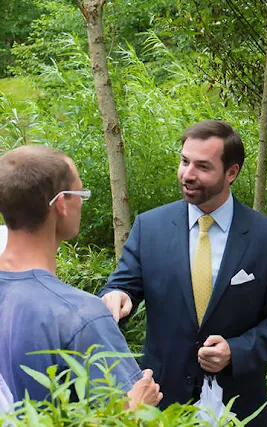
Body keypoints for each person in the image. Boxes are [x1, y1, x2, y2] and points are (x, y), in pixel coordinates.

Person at [98, 120, 267, 425]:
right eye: (184, 161)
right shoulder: (150, 227)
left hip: (239, 406)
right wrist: (116, 296)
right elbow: (122, 284)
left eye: (202, 166)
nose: (187, 174)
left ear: (231, 172)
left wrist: (236, 350)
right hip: (161, 403)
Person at [0, 145, 162, 408]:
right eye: (80, 193)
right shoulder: (80, 315)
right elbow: (121, 414)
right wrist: (136, 408)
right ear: (61, 204)